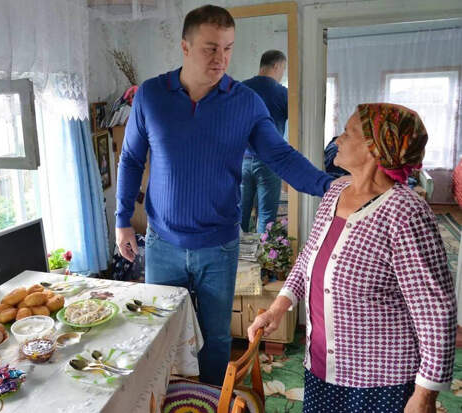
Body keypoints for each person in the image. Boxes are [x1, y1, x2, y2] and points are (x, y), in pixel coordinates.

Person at [115, 5, 335, 386]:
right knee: (160, 332)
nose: (221, 58)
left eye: (228, 48)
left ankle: (212, 398)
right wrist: (122, 220)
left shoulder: (246, 102)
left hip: (218, 246)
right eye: (210, 48)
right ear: (185, 46)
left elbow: (281, 156)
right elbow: (131, 158)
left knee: (217, 339)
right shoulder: (151, 95)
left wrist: (329, 186)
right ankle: (165, 398)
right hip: (162, 243)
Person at [247, 103, 456, 412]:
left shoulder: (405, 213)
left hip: (379, 381)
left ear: (376, 148)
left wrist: (425, 394)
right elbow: (308, 258)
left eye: (348, 132)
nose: (338, 140)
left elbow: (435, 312)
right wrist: (278, 308)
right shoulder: (336, 192)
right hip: (322, 367)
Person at [240, 50, 288, 233]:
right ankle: (262, 251)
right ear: (276, 66)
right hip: (269, 161)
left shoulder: (241, 89)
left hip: (242, 160)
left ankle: (237, 251)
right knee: (266, 217)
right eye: (283, 68)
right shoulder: (282, 93)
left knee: (240, 214)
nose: (282, 73)